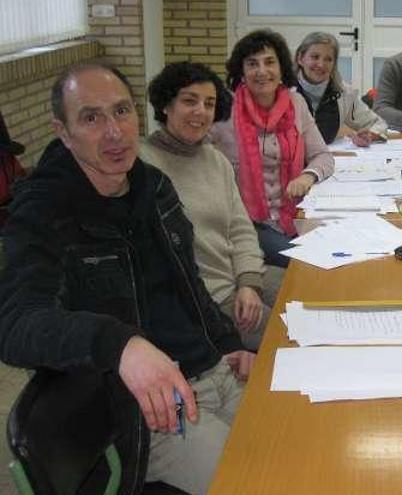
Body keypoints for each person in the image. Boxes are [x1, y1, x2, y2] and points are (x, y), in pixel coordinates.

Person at [0, 63, 254, 495]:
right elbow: (16, 325)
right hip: (148, 413)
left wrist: (227, 340)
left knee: (298, 441)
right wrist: (119, 344)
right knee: (263, 481)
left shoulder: (152, 186)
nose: (115, 133)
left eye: (121, 111)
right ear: (62, 131)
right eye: (91, 117)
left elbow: (188, 283)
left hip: (215, 371)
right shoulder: (42, 212)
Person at [142, 61, 283, 351]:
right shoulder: (143, 163)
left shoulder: (214, 159)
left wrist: (249, 282)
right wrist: (238, 290)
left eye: (209, 104)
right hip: (209, 299)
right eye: (189, 101)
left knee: (311, 292)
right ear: (165, 105)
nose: (201, 112)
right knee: (291, 339)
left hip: (240, 276)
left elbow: (241, 229)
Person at [211, 29, 334, 267]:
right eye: (252, 64)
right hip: (249, 223)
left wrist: (308, 176)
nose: (262, 71)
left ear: (281, 69)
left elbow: (323, 156)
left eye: (269, 62)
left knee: (338, 250)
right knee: (307, 262)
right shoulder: (224, 110)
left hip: (295, 213)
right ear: (241, 72)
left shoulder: (296, 104)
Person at [294, 32, 388, 146]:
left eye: (328, 59)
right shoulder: (282, 91)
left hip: (329, 159)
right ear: (300, 58)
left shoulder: (344, 94)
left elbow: (377, 123)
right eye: (315, 57)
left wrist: (369, 135)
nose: (321, 64)